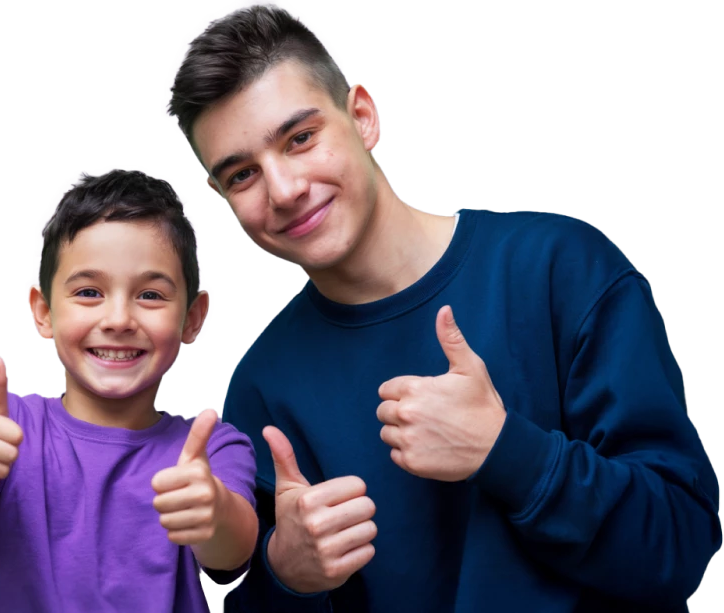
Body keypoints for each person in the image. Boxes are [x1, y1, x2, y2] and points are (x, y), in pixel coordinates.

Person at [162, 2, 722, 611]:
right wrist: (286, 574)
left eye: (301, 139)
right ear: (220, 194)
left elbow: (680, 544)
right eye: (242, 175)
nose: (285, 189)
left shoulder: (560, 268)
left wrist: (505, 450)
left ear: (362, 116)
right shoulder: (262, 385)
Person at [0, 168, 259, 612]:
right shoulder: (9, 429)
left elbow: (233, 550)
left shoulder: (212, 447)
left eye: (150, 295)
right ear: (43, 311)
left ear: (194, 317)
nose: (118, 320)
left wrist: (213, 512)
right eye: (88, 292)